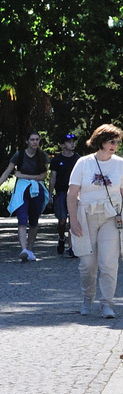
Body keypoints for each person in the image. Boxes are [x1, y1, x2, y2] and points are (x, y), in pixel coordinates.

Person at [67, 124, 123, 318]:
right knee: (87, 264)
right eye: (111, 141)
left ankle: (108, 304)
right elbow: (72, 194)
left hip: (111, 217)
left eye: (117, 142)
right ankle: (87, 298)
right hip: (86, 216)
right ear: (100, 141)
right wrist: (73, 221)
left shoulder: (120, 164)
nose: (115, 145)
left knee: (109, 262)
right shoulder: (84, 163)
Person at [0, 131, 50, 261]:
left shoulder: (42, 156)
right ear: (27, 141)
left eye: (37, 139)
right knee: (22, 218)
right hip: (22, 190)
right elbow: (7, 171)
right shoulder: (19, 155)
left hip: (37, 189)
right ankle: (24, 249)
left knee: (34, 221)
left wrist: (23, 175)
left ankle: (30, 249)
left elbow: (43, 176)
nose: (35, 142)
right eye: (32, 139)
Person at [51, 132, 80, 256]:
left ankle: (72, 247)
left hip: (75, 193)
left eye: (73, 141)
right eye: (69, 142)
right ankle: (61, 238)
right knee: (62, 220)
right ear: (62, 145)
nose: (72, 143)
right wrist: (49, 194)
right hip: (61, 192)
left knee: (73, 219)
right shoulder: (57, 160)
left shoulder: (78, 159)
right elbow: (53, 177)